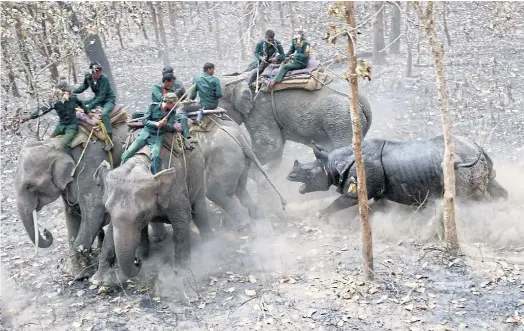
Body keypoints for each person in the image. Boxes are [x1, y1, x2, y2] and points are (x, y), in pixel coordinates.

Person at [120, 93, 190, 174]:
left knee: (156, 157)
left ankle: (155, 177)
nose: (175, 106)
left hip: (157, 136)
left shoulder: (172, 112)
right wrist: (156, 124)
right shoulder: (152, 106)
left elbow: (172, 128)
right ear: (169, 103)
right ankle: (120, 172)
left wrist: (165, 124)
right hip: (146, 133)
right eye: (174, 104)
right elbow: (145, 121)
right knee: (127, 153)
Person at [21, 80, 89, 153]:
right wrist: (29, 117)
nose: (70, 91)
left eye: (69, 90)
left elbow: (81, 104)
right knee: (50, 142)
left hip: (72, 126)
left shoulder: (73, 98)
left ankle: (69, 160)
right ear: (60, 92)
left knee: (64, 145)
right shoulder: (54, 102)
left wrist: (87, 112)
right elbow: (42, 110)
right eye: (67, 90)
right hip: (61, 125)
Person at [73, 62, 116, 151]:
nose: (99, 74)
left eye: (100, 72)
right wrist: (72, 93)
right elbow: (84, 86)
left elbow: (102, 96)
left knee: (104, 114)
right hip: (97, 98)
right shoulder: (88, 76)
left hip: (108, 100)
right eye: (97, 73)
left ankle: (110, 140)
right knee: (80, 104)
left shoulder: (104, 78)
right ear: (92, 72)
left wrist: (89, 106)